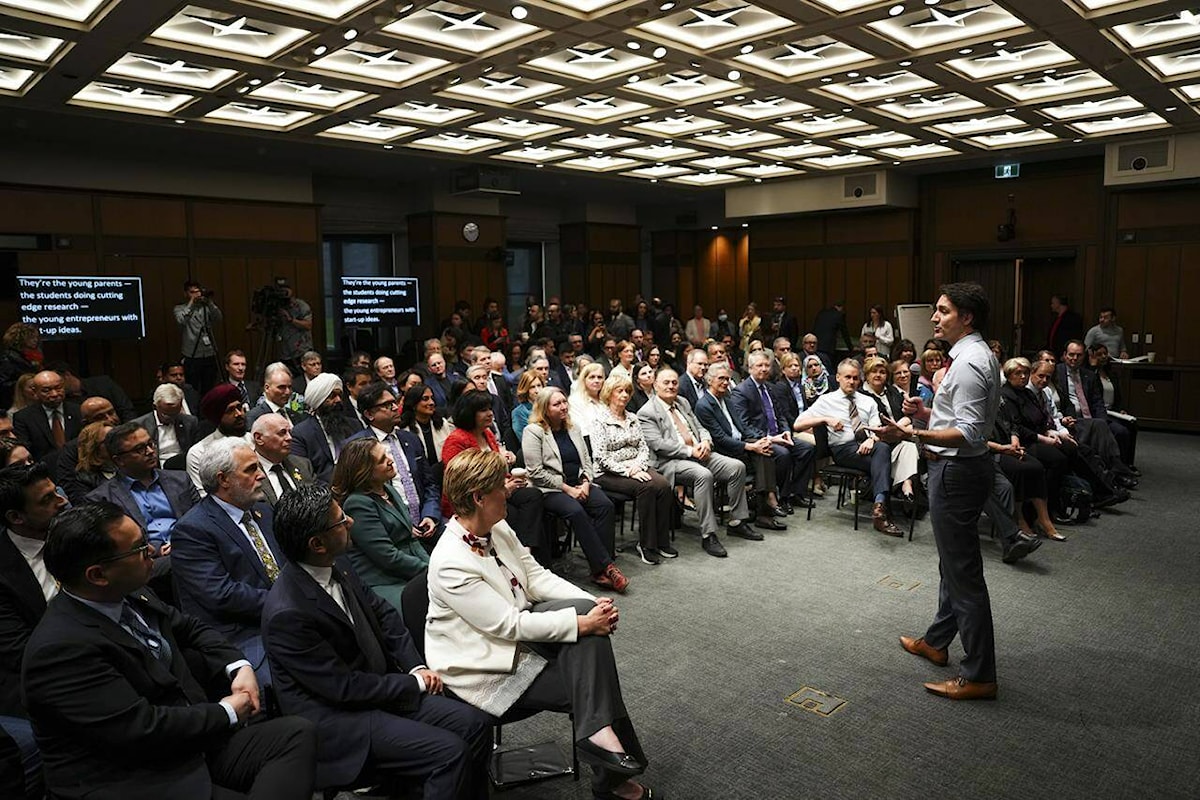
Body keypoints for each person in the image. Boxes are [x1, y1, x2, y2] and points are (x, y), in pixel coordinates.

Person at [22, 502, 317, 800]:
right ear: (98, 575)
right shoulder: (61, 650)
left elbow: (192, 628)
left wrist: (238, 666)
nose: (152, 551)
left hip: (189, 745)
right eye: (139, 549)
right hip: (136, 778)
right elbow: (139, 729)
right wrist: (226, 712)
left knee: (296, 734)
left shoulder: (130, 593)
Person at [425, 448, 655, 800]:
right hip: (483, 664)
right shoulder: (449, 562)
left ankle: (602, 746)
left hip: (519, 635)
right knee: (592, 681)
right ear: (478, 497)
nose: (509, 489)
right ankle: (611, 779)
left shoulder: (496, 527)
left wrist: (592, 604)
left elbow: (535, 576)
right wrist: (581, 624)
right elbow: (508, 625)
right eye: (501, 484)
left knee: (587, 637)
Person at [262, 484, 491, 798]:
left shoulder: (338, 563)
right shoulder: (287, 614)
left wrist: (415, 667)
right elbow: (343, 689)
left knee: (475, 724)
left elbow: (383, 614)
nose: (351, 522)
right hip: (339, 721)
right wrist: (414, 684)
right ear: (317, 544)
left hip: (376, 691)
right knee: (448, 754)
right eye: (341, 520)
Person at [874, 282, 1002, 701]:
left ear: (967, 317)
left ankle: (980, 675)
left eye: (944, 311)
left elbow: (968, 433)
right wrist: (928, 412)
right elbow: (962, 419)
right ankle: (937, 641)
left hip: (956, 472)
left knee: (964, 576)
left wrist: (910, 432)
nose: (934, 317)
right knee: (953, 565)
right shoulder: (974, 355)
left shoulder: (968, 364)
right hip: (964, 468)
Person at [172, 438, 284, 679]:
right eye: (251, 469)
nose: (262, 475)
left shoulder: (264, 512)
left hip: (286, 617)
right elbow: (221, 595)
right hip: (243, 633)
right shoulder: (192, 530)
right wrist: (286, 602)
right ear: (223, 479)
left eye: (259, 467)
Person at [638, 367, 753, 558]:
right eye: (666, 382)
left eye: (674, 382)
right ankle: (709, 534)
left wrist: (706, 441)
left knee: (737, 467)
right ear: (655, 385)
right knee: (703, 475)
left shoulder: (682, 402)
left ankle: (736, 522)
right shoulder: (647, 412)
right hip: (670, 461)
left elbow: (700, 427)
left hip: (699, 452)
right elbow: (659, 445)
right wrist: (690, 450)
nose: (671, 386)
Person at [522, 387, 624, 592]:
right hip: (550, 489)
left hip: (578, 483)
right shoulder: (534, 431)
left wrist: (586, 482)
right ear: (544, 408)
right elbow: (535, 472)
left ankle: (599, 568)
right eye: (557, 404)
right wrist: (568, 489)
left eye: (564, 402)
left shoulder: (573, 428)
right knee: (576, 511)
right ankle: (606, 567)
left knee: (605, 505)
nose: (563, 407)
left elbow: (587, 460)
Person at [794, 360, 906, 537]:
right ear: (838, 377)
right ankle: (883, 507)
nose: (851, 381)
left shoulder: (868, 401)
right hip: (843, 449)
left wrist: (872, 440)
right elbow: (797, 424)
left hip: (867, 446)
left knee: (882, 449)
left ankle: (879, 507)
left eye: (855, 378)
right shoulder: (826, 400)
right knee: (886, 460)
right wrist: (825, 419)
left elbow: (877, 429)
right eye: (847, 377)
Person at [442, 392, 548, 562]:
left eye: (490, 409)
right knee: (518, 516)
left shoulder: (487, 433)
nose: (490, 413)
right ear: (469, 413)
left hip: (498, 489)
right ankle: (524, 557)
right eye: (483, 410)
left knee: (533, 496)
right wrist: (504, 487)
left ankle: (526, 551)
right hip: (474, 499)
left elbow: (496, 470)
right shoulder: (456, 440)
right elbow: (460, 482)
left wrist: (508, 481)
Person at [331, 437, 430, 608]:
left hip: (408, 569)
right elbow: (387, 557)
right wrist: (429, 571)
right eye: (382, 460)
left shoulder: (388, 489)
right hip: (385, 581)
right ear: (365, 471)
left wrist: (432, 565)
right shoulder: (357, 503)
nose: (390, 461)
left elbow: (412, 540)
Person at [86, 422, 199, 567]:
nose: (150, 451)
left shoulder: (180, 479)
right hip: (146, 562)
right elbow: (114, 545)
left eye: (150, 444)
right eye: (140, 449)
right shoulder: (102, 499)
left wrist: (180, 542)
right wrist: (155, 549)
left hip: (190, 546)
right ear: (119, 460)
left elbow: (202, 516)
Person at [590, 373, 676, 565]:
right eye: (619, 391)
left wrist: (638, 466)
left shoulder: (633, 418)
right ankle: (646, 544)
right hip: (608, 472)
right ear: (609, 393)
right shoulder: (599, 421)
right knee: (646, 487)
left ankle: (661, 540)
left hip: (636, 465)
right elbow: (601, 457)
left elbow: (643, 448)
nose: (624, 395)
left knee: (663, 485)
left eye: (627, 391)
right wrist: (628, 471)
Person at [695, 363, 784, 531]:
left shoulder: (727, 400)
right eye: (721, 378)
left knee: (765, 450)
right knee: (761, 454)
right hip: (723, 451)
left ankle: (763, 510)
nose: (725, 382)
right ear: (709, 380)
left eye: (727, 379)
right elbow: (720, 439)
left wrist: (763, 439)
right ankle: (765, 510)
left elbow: (743, 427)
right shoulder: (704, 405)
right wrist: (750, 446)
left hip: (740, 444)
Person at [730, 350, 815, 513]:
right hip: (759, 438)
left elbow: (780, 414)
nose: (764, 369)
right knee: (783, 454)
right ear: (750, 368)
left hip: (779, 434)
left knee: (807, 449)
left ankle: (795, 493)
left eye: (766, 365)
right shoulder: (741, 391)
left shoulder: (769, 387)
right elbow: (744, 426)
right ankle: (782, 497)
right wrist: (772, 438)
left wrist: (786, 431)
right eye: (759, 365)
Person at [859, 356, 919, 503]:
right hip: (875, 443)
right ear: (866, 375)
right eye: (874, 372)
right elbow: (869, 428)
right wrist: (899, 429)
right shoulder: (861, 395)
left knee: (910, 446)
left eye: (882, 372)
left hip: (897, 437)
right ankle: (905, 488)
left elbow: (908, 416)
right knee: (909, 446)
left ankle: (906, 486)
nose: (878, 375)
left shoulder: (892, 391)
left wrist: (897, 427)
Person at [186, 384, 251, 494]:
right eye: (230, 410)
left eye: (239, 407)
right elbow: (203, 496)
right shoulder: (198, 453)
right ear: (218, 417)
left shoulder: (254, 441)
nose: (239, 414)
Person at [290, 373, 354, 484]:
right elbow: (303, 474)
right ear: (318, 400)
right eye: (332, 396)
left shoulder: (354, 425)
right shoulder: (301, 433)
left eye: (340, 395)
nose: (338, 400)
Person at [12, 370, 82, 463]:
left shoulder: (79, 411)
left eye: (58, 388)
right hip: (44, 468)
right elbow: (26, 451)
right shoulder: (23, 418)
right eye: (46, 390)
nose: (54, 394)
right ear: (35, 392)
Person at [251, 413, 315, 508]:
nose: (289, 438)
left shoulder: (302, 464)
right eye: (282, 433)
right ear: (259, 438)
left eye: (289, 432)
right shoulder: (248, 472)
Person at [173, 280, 223, 394]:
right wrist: (191, 303)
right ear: (186, 294)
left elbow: (218, 318)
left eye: (198, 292)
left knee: (209, 387)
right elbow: (181, 320)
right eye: (192, 292)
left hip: (209, 353)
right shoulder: (179, 308)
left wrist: (210, 303)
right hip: (192, 354)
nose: (196, 294)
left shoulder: (206, 308)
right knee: (192, 388)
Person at [399, 383, 456, 464]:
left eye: (432, 398)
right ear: (413, 403)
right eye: (425, 399)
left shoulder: (442, 423)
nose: (431, 402)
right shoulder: (404, 429)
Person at [62, 421, 115, 504]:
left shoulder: (127, 464)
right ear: (94, 449)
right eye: (109, 440)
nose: (118, 442)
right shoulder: (84, 480)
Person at [247, 363, 308, 428]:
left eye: (289, 387)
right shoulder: (255, 416)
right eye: (281, 387)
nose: (287, 392)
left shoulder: (296, 415)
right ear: (267, 388)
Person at [0, 324, 42, 411]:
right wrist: (23, 384)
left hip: (30, 400)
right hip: (14, 403)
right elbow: (3, 384)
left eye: (36, 337)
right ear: (20, 339)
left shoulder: (33, 356)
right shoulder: (8, 359)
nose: (35, 340)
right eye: (31, 337)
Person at [569, 362, 607, 443]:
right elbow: (582, 430)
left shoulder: (606, 399)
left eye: (600, 377)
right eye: (592, 377)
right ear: (584, 379)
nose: (596, 381)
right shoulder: (575, 401)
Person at [511, 370, 544, 442]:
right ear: (525, 390)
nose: (537, 390)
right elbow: (525, 439)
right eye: (532, 387)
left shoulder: (549, 406)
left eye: (539, 385)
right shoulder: (519, 412)